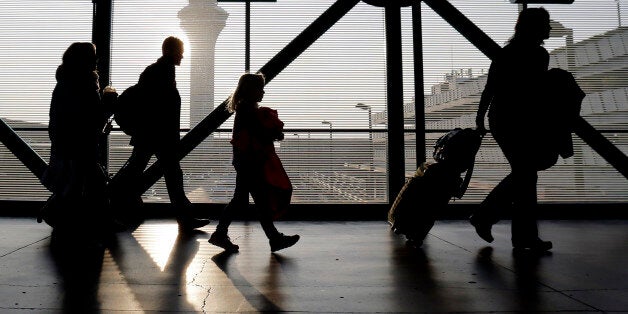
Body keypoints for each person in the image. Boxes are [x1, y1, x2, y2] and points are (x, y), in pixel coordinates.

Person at [470, 7, 554, 252]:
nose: (549, 28)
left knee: (525, 176)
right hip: (522, 121)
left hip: (503, 120)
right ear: (536, 27)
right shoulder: (539, 55)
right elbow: (536, 93)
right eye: (546, 24)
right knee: (526, 175)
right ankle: (495, 221)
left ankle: (517, 234)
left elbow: (490, 88)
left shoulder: (507, 53)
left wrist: (480, 119)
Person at [116, 36, 209, 231]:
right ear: (170, 51)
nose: (183, 55)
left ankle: (115, 208)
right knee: (171, 176)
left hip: (150, 136)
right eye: (180, 51)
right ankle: (184, 218)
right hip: (158, 137)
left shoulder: (157, 72)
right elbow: (161, 110)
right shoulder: (162, 73)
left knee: (138, 171)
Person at [208, 73, 299, 253]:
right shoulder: (248, 110)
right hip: (249, 162)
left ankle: (270, 238)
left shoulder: (244, 109)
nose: (263, 92)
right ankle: (271, 238)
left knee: (247, 201)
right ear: (250, 90)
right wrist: (276, 134)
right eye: (260, 88)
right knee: (253, 201)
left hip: (246, 161)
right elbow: (259, 133)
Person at [41, 42, 115, 232]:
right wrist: (107, 106)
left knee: (78, 184)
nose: (96, 60)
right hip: (80, 145)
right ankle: (102, 222)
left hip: (69, 144)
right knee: (92, 183)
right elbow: (90, 116)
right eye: (93, 57)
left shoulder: (65, 84)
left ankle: (59, 215)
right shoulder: (85, 85)